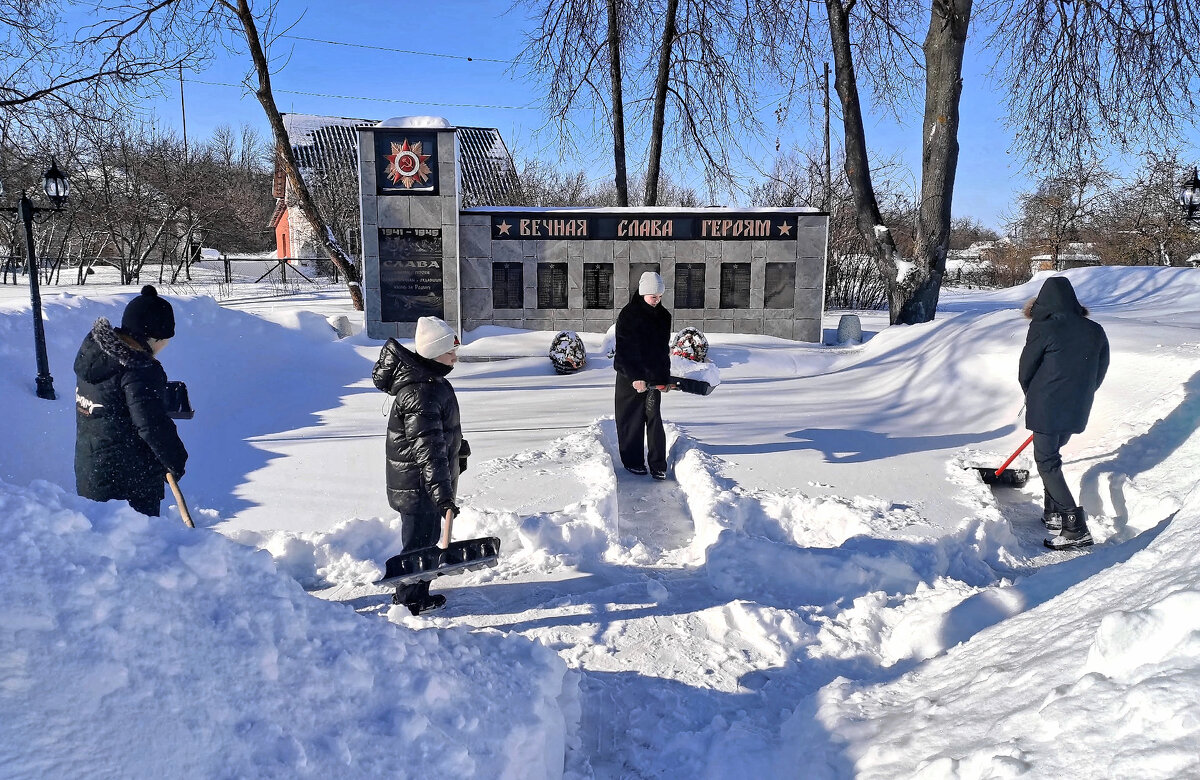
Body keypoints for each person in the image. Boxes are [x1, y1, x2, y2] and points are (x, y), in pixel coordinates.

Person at [372, 316, 466, 615]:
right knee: (418, 545)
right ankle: (410, 599)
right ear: (432, 352)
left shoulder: (432, 382)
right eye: (450, 351)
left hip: (425, 482)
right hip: (418, 486)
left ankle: (415, 592)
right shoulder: (420, 392)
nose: (455, 356)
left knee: (424, 540)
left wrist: (458, 449)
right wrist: (443, 495)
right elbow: (428, 451)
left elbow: (438, 437)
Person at [74, 285, 188, 518]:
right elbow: (151, 425)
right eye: (164, 340)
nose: (163, 347)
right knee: (136, 547)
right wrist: (175, 460)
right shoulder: (139, 369)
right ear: (152, 337)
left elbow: (116, 404)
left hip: (92, 471)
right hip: (130, 481)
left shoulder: (97, 356)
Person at [1019, 276, 1109, 550]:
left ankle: (1075, 526)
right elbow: (1100, 369)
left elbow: (1026, 369)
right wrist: (1083, 393)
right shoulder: (1094, 329)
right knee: (1053, 458)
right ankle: (1054, 514)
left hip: (1047, 403)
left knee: (1046, 462)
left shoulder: (1043, 327)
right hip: (1078, 405)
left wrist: (1033, 394)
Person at [613, 271, 672, 480]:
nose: (657, 300)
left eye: (659, 296)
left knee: (654, 417)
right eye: (653, 296)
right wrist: (636, 377)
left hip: (654, 376)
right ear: (643, 293)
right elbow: (625, 349)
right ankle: (633, 461)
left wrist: (664, 378)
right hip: (630, 376)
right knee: (631, 419)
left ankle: (658, 464)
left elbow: (662, 350)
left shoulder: (664, 316)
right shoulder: (629, 315)